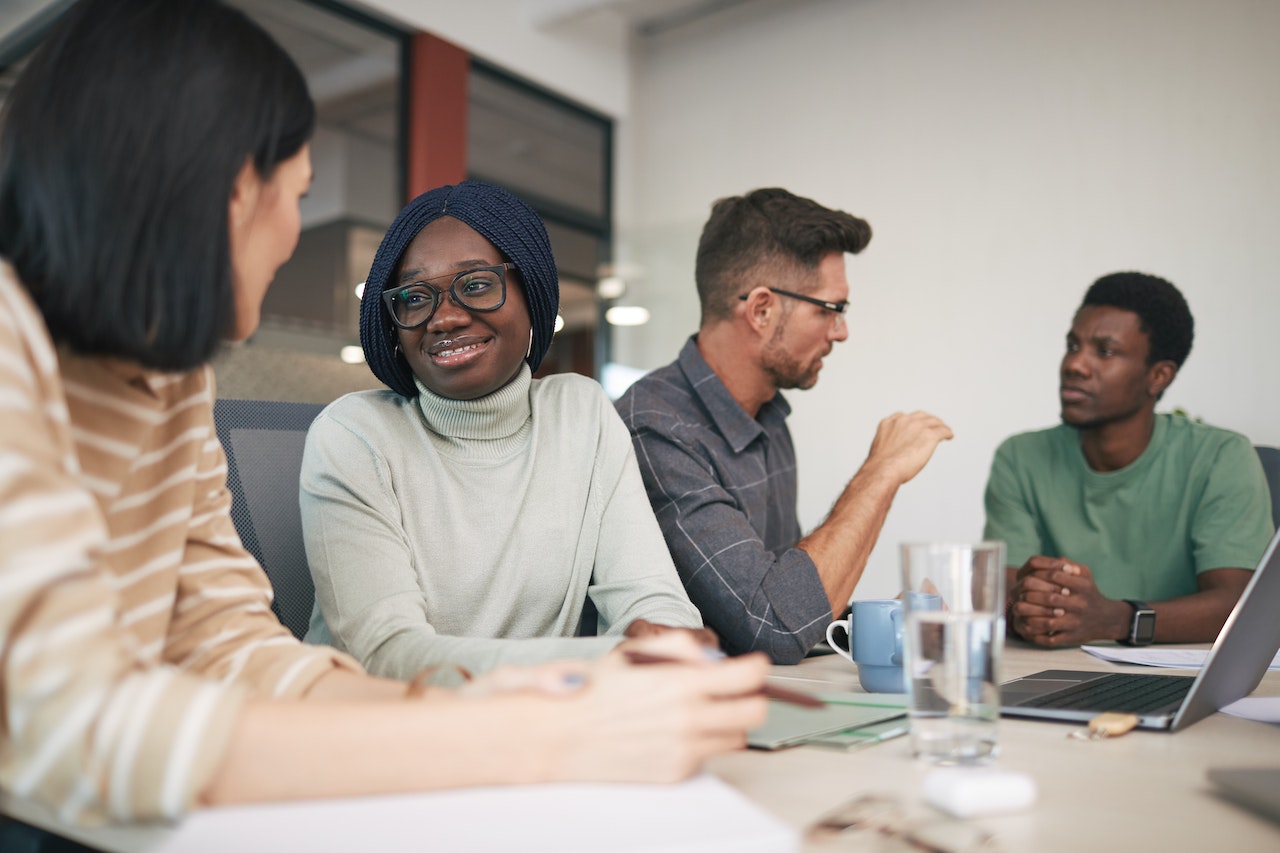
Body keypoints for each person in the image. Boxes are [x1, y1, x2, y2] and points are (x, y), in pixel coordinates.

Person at [0, 0, 767, 826]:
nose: (295, 234)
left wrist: (493, 708)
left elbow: (226, 644)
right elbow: (58, 722)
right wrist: (525, 734)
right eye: (296, 193)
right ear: (228, 194)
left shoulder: (174, 382)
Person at [301, 180, 710, 679]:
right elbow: (387, 655)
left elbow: (649, 596)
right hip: (383, 735)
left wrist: (674, 653)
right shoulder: (355, 436)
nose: (445, 318)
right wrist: (608, 660)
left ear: (530, 294)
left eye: (476, 285)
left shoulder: (581, 414)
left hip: (541, 727)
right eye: (414, 297)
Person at [615, 188, 953, 664]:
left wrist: (875, 624)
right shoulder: (655, 431)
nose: (841, 331)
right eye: (829, 309)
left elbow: (783, 600)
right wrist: (881, 473)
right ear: (761, 310)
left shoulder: (768, 416)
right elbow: (772, 626)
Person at [984, 272, 1274, 647]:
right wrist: (1030, 609)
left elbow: (1240, 607)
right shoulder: (1021, 458)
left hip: (1180, 680)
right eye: (1073, 345)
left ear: (1158, 376)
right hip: (1058, 672)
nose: (1075, 364)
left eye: (1104, 351)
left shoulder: (1220, 457)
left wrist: (1118, 619)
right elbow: (1007, 601)